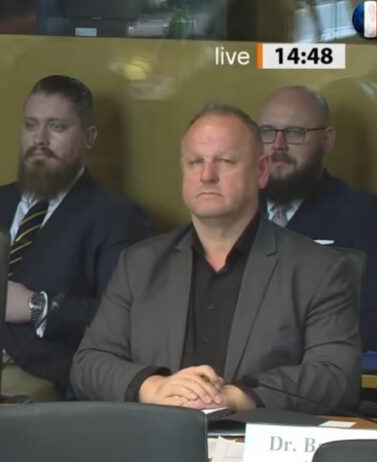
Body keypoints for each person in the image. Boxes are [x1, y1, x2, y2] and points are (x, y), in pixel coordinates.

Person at [72, 102, 361, 412]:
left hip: (256, 437)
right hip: (155, 436)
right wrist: (154, 387)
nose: (207, 175)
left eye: (225, 161)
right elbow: (89, 364)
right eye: (196, 161)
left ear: (261, 170)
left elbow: (336, 376)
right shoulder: (138, 265)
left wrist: (236, 397)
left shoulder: (318, 269)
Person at [0, 75, 151, 401]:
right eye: (31, 125)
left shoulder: (117, 218)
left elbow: (121, 318)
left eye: (56, 127)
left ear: (89, 137)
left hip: (37, 375)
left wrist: (37, 306)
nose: (39, 139)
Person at [259, 85, 377, 351]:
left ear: (327, 140)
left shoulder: (364, 214)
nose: (278, 145)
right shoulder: (236, 210)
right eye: (267, 131)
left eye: (295, 132)